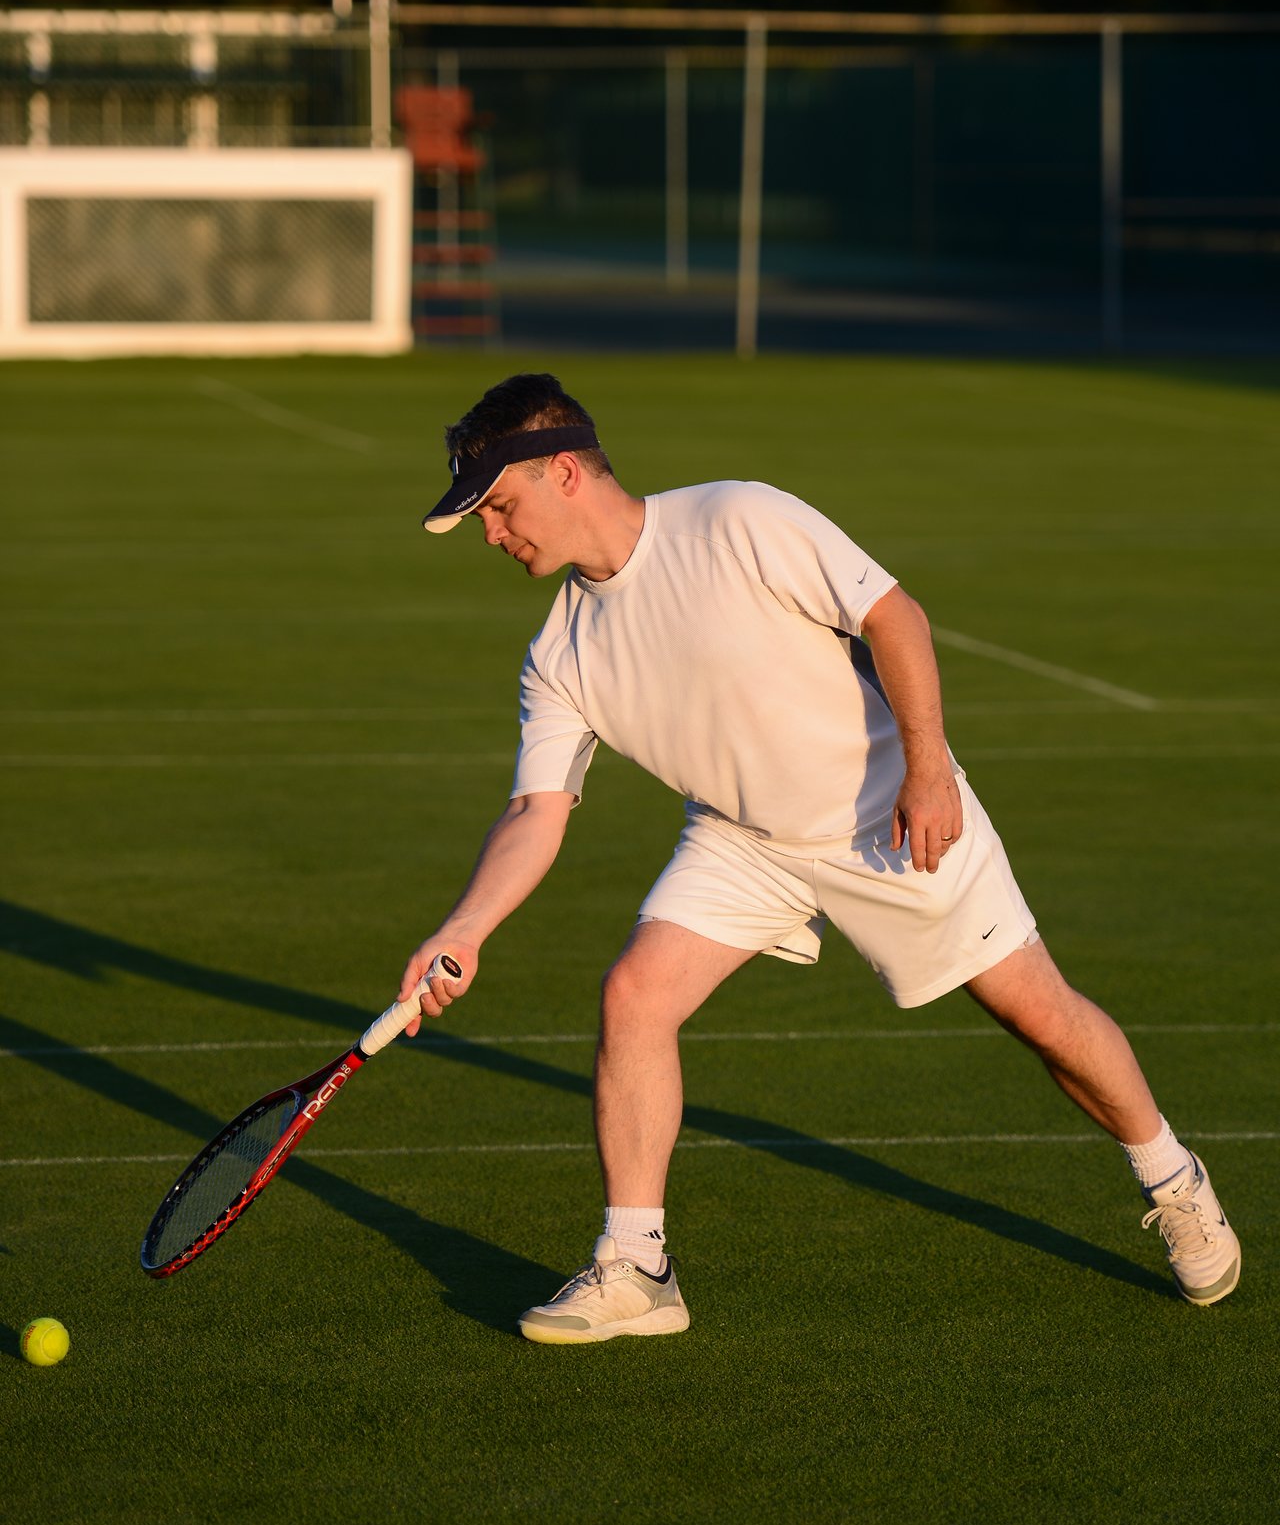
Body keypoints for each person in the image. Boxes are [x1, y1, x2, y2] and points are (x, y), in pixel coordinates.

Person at [398, 372, 1241, 1343]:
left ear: (562, 474)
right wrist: (462, 927)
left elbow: (894, 617)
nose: (494, 536)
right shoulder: (558, 655)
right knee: (635, 995)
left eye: (498, 510)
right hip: (740, 836)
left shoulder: (735, 520)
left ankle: (1171, 1179)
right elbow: (535, 813)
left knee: (1038, 1015)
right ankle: (636, 1266)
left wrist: (927, 769)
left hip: (883, 811)